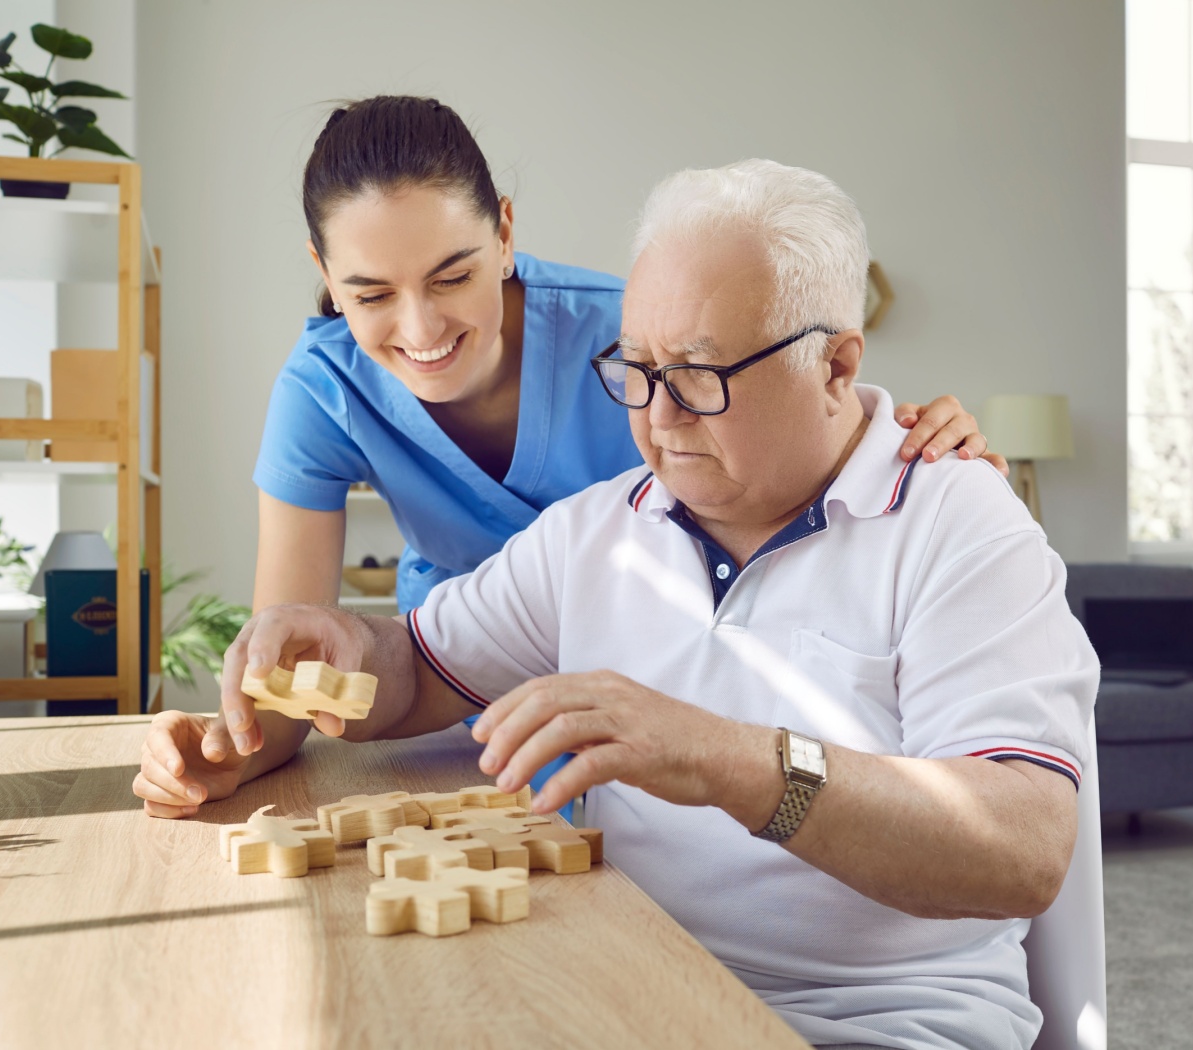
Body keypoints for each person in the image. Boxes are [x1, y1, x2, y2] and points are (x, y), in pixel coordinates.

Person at [138, 158, 1096, 1050]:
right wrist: (338, 652)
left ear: (836, 367)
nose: (656, 417)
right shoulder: (599, 529)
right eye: (635, 369)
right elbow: (419, 669)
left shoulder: (961, 525)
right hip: (613, 982)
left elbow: (1018, 847)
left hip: (871, 1024)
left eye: (701, 376)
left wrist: (723, 757)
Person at [199, 95, 1002, 804]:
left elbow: (802, 415)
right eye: (370, 294)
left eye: (451, 277)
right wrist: (225, 747)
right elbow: (320, 663)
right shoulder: (326, 391)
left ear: (505, 233)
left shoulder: (635, 342)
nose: (419, 330)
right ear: (327, 278)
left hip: (656, 685)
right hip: (457, 669)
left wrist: (907, 443)